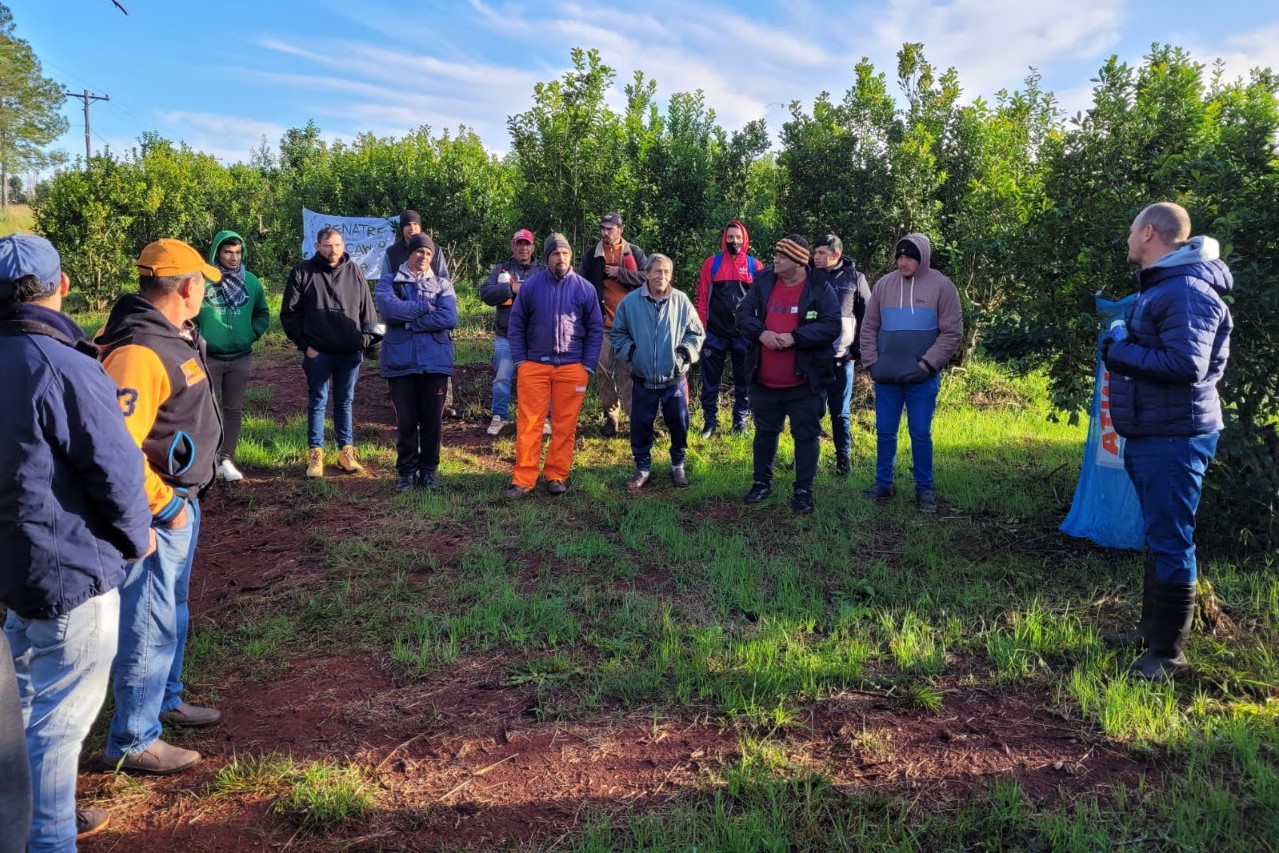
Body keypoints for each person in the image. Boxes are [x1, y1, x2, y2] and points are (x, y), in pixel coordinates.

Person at [0, 234, 152, 847]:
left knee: (25, 714)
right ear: (62, 286)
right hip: (67, 572)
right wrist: (137, 536)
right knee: (58, 731)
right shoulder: (65, 364)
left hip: (13, 573)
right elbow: (114, 468)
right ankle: (49, 834)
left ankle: (27, 818)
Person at [98, 238, 223, 775]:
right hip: (158, 510)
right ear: (188, 286)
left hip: (181, 502)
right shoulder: (138, 351)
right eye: (203, 284)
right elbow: (116, 446)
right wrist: (164, 503)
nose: (204, 292)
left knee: (170, 610)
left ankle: (164, 699)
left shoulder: (168, 336)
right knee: (149, 618)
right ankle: (133, 738)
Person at [1103, 202, 1232, 680]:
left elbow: (1184, 366)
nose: (1128, 239)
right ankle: (1150, 632)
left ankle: (1168, 654)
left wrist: (1119, 350)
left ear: (1150, 233)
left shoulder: (1184, 291)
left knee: (1172, 539)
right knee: (1160, 534)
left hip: (1176, 434)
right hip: (1154, 430)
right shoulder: (1166, 287)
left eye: (1132, 230)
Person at [859, 233, 963, 513]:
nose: (903, 262)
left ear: (923, 258)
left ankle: (924, 489)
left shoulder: (942, 286)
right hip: (887, 377)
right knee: (885, 432)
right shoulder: (883, 286)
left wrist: (927, 365)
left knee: (920, 433)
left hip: (922, 379)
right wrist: (872, 363)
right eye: (900, 257)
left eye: (910, 257)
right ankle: (883, 483)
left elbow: (952, 332)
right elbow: (868, 328)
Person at [736, 235, 840, 515]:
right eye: (776, 255)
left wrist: (796, 337)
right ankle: (761, 483)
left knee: (806, 435)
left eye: (781, 256)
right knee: (765, 432)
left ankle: (803, 490)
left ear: (797, 260)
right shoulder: (763, 280)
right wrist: (762, 333)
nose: (775, 259)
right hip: (764, 379)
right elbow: (742, 315)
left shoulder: (820, 286)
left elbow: (831, 326)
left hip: (805, 381)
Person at [504, 234, 603, 498]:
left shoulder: (585, 288)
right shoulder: (531, 287)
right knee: (529, 424)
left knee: (565, 425)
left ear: (571, 256)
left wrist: (588, 366)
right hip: (534, 365)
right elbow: (516, 325)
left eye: (565, 253)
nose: (561, 258)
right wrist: (521, 361)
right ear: (547, 257)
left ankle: (557, 475)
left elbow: (595, 329)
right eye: (555, 253)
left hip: (572, 367)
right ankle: (524, 478)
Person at [281, 226, 379, 478]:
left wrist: (365, 341)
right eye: (327, 245)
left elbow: (368, 311)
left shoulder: (354, 271)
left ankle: (346, 453)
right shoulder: (303, 272)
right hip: (318, 353)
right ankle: (316, 455)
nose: (332, 250)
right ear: (317, 246)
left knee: (344, 402)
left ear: (343, 245)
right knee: (318, 402)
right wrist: (306, 346)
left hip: (350, 353)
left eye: (337, 245)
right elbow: (289, 314)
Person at [610, 253, 704, 490]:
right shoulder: (630, 302)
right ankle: (642, 468)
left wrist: (683, 355)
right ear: (647, 274)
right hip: (642, 378)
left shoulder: (681, 301)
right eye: (657, 271)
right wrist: (632, 354)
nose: (662, 276)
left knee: (679, 423)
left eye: (666, 272)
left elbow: (696, 333)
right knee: (641, 424)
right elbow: (618, 333)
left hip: (674, 379)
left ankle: (678, 465)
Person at [375, 233, 457, 491]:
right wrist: (424, 308)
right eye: (419, 251)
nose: (423, 256)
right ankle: (407, 472)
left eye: (429, 253)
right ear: (409, 254)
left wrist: (408, 320)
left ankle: (429, 471)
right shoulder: (389, 282)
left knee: (432, 421)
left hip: (435, 362)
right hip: (401, 362)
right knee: (407, 421)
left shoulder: (443, 284)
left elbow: (448, 317)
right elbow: (389, 310)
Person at [196, 230, 270, 483]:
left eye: (238, 253)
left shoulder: (251, 282)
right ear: (217, 252)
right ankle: (205, 461)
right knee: (207, 409)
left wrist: (251, 334)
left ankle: (226, 458)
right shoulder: (201, 281)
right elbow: (186, 315)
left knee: (233, 409)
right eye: (228, 252)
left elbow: (262, 313)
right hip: (209, 357)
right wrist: (199, 339)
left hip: (241, 356)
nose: (234, 257)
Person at [579, 211, 647, 436]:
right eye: (603, 228)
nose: (605, 233)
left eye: (610, 228)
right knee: (603, 370)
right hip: (602, 324)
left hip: (629, 326)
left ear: (621, 229)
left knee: (629, 373)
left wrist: (621, 273)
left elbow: (649, 278)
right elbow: (582, 286)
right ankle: (611, 417)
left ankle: (635, 419)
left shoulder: (633, 252)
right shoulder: (592, 255)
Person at [382, 210, 454, 415]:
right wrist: (422, 308)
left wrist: (416, 320)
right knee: (399, 360)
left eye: (415, 224)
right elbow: (387, 295)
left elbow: (444, 285)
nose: (412, 228)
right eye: (407, 225)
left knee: (438, 359)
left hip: (432, 321)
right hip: (403, 320)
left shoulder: (436, 250)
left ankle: (445, 402)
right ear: (401, 228)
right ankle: (398, 401)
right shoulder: (391, 253)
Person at [811, 234, 871, 476]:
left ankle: (843, 460)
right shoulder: (808, 277)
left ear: (835, 255)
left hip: (842, 359)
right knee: (811, 410)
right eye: (814, 253)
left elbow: (868, 316)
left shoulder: (855, 278)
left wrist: (857, 350)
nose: (815, 257)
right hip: (813, 359)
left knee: (840, 413)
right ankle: (807, 458)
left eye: (821, 253)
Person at [694, 220, 759, 438]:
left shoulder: (754, 266)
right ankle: (710, 422)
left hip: (744, 335)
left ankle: (740, 422)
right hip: (714, 333)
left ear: (745, 239)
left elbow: (761, 302)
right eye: (730, 237)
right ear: (724, 238)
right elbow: (702, 298)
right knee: (710, 382)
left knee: (744, 381)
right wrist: (701, 329)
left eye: (738, 237)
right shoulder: (711, 264)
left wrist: (756, 331)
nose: (734, 241)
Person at [479, 228, 545, 436]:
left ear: (533, 247)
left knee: (538, 381)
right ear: (513, 246)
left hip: (536, 338)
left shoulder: (542, 271)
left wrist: (524, 290)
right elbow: (486, 293)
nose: (523, 248)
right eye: (519, 244)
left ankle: (541, 419)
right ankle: (499, 416)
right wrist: (511, 289)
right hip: (506, 336)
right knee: (501, 379)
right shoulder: (502, 269)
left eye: (527, 244)